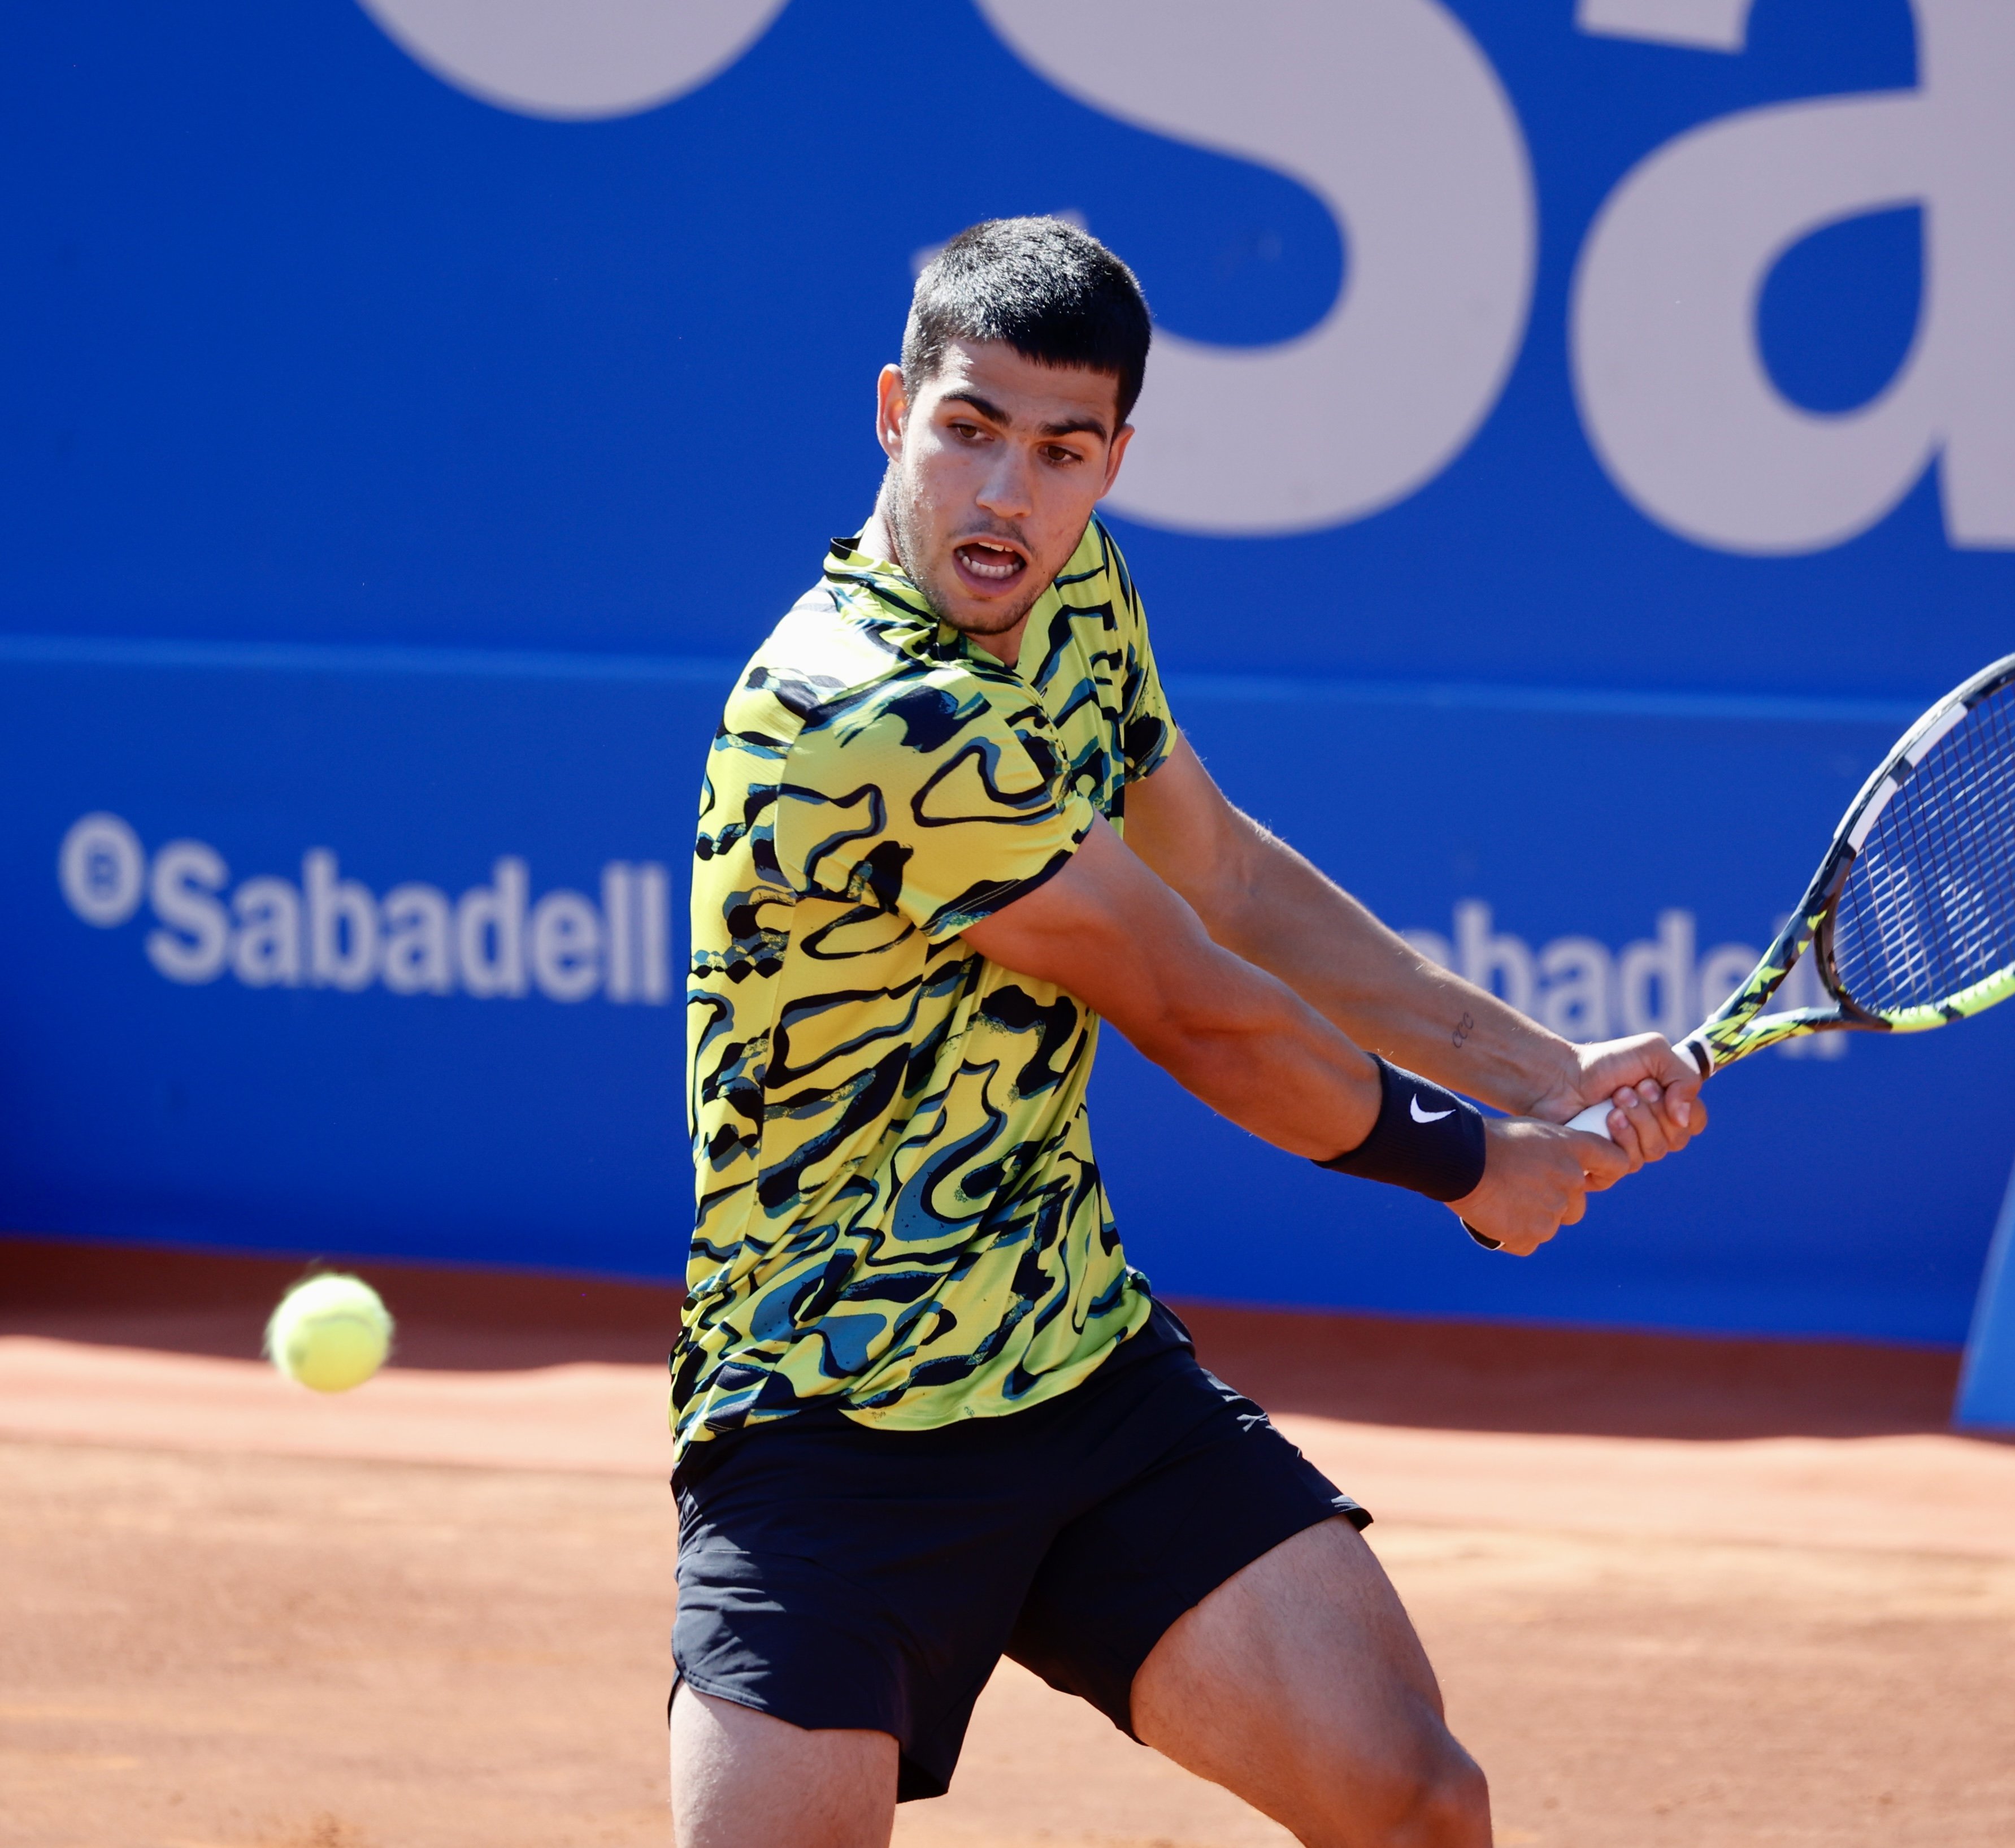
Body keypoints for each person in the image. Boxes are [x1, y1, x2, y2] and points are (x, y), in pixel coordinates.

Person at [674, 216, 1706, 1848]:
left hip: (1073, 1370)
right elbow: (1190, 1005)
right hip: (825, 1420)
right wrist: (1471, 1166)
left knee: (1417, 1802)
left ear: (1113, 462)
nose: (1007, 495)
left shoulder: (1073, 590)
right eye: (969, 431)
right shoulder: (858, 709)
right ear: (893, 412)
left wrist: (1543, 1069)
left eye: (1060, 451)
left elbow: (1216, 872)